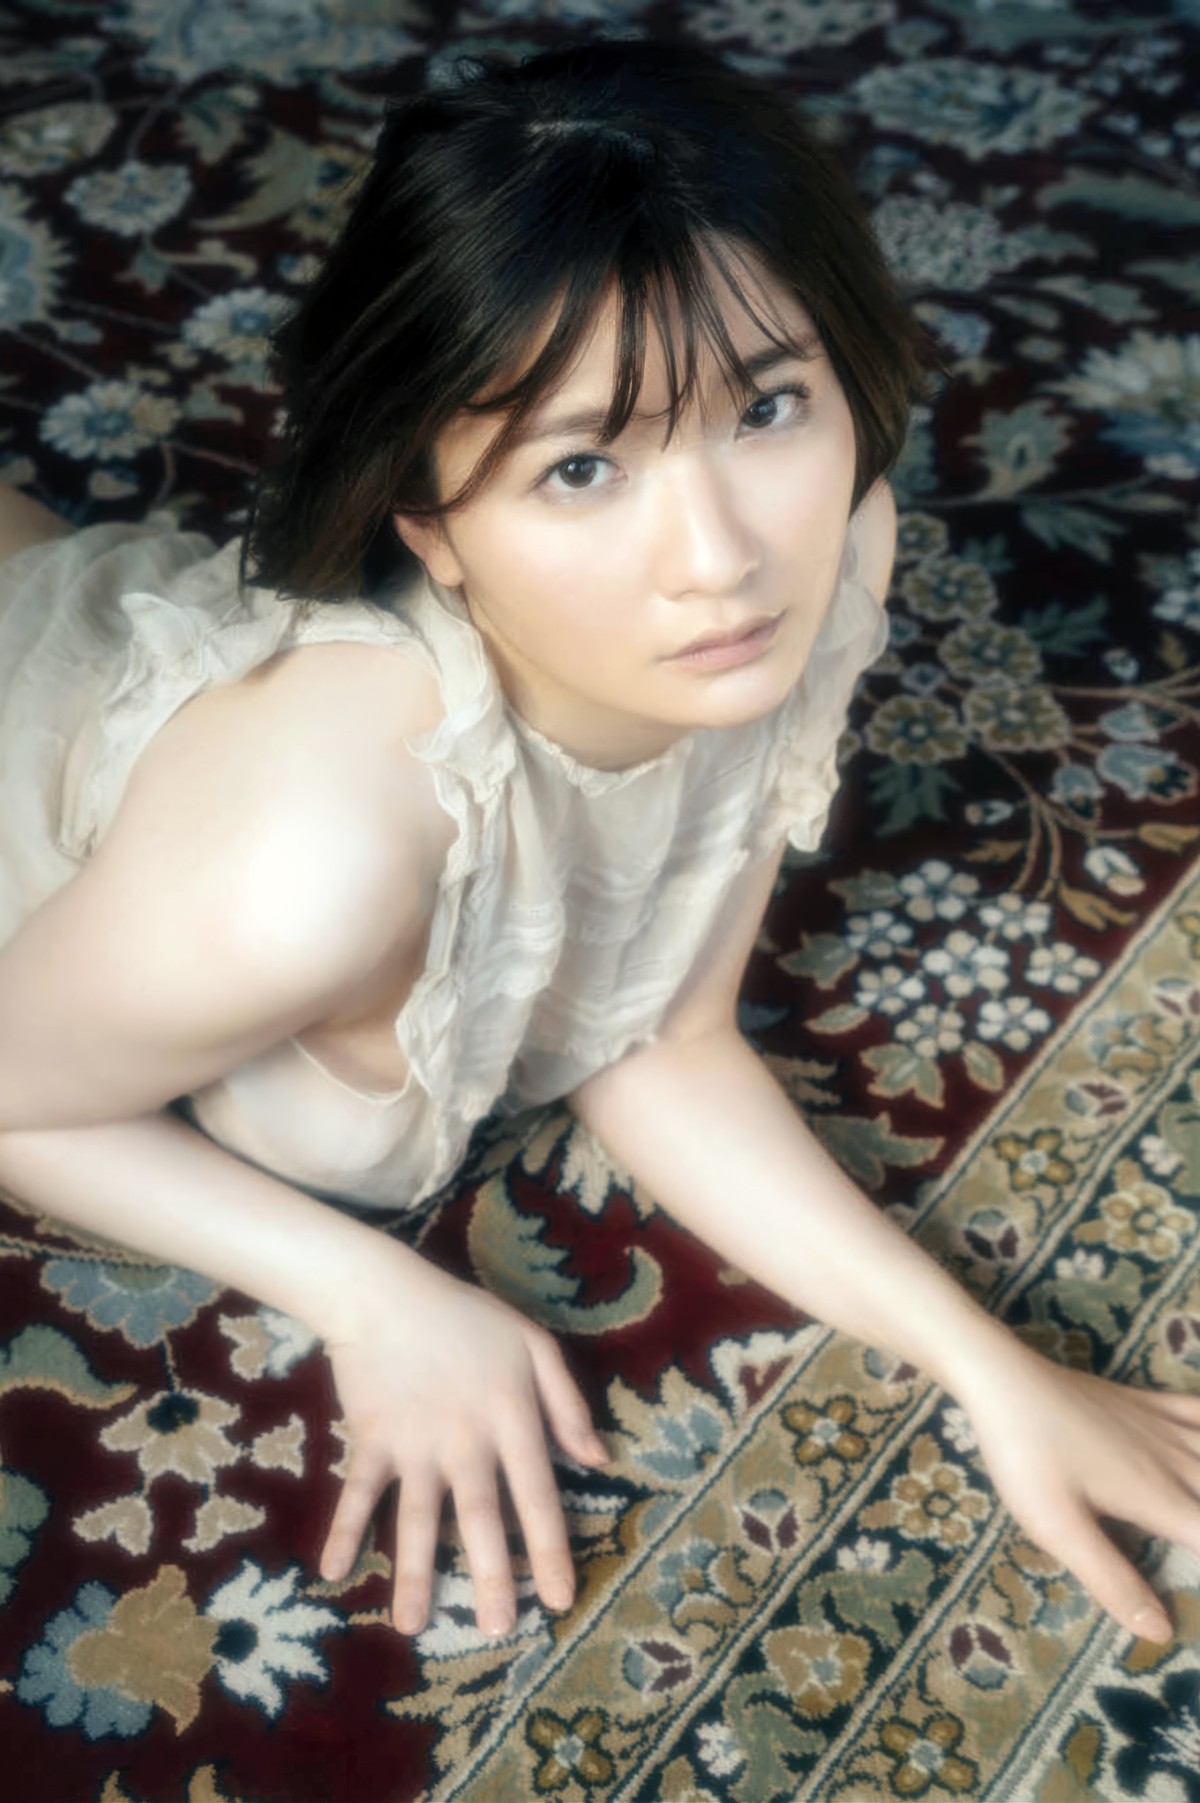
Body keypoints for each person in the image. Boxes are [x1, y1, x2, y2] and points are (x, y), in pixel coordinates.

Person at [1, 38, 1197, 1651]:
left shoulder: (830, 544)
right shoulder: (307, 864)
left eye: (768, 406)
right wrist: (370, 1292)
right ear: (429, 523)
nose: (722, 559)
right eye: (582, 467)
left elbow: (662, 1035)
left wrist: (993, 1367)